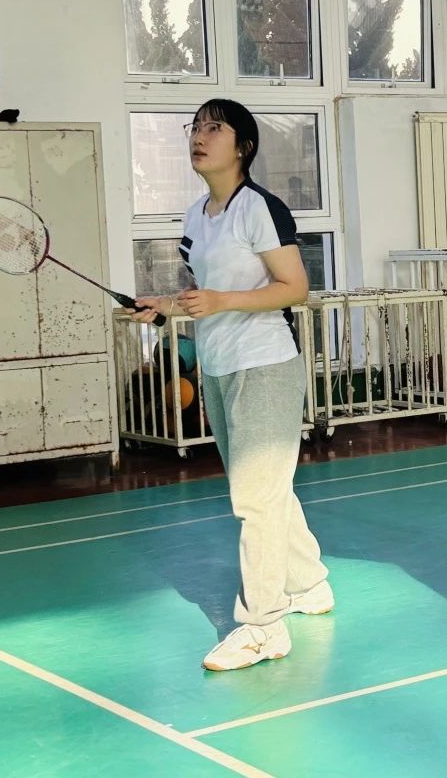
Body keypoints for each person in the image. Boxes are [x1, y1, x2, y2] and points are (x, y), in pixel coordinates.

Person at [130, 99, 332, 672]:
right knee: (267, 489)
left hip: (265, 363)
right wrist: (165, 306)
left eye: (214, 127)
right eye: (195, 127)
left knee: (254, 497)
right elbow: (206, 296)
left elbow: (294, 287)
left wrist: (221, 301)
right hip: (219, 366)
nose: (200, 136)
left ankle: (264, 627)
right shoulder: (197, 215)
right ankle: (309, 584)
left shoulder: (259, 208)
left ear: (243, 146)